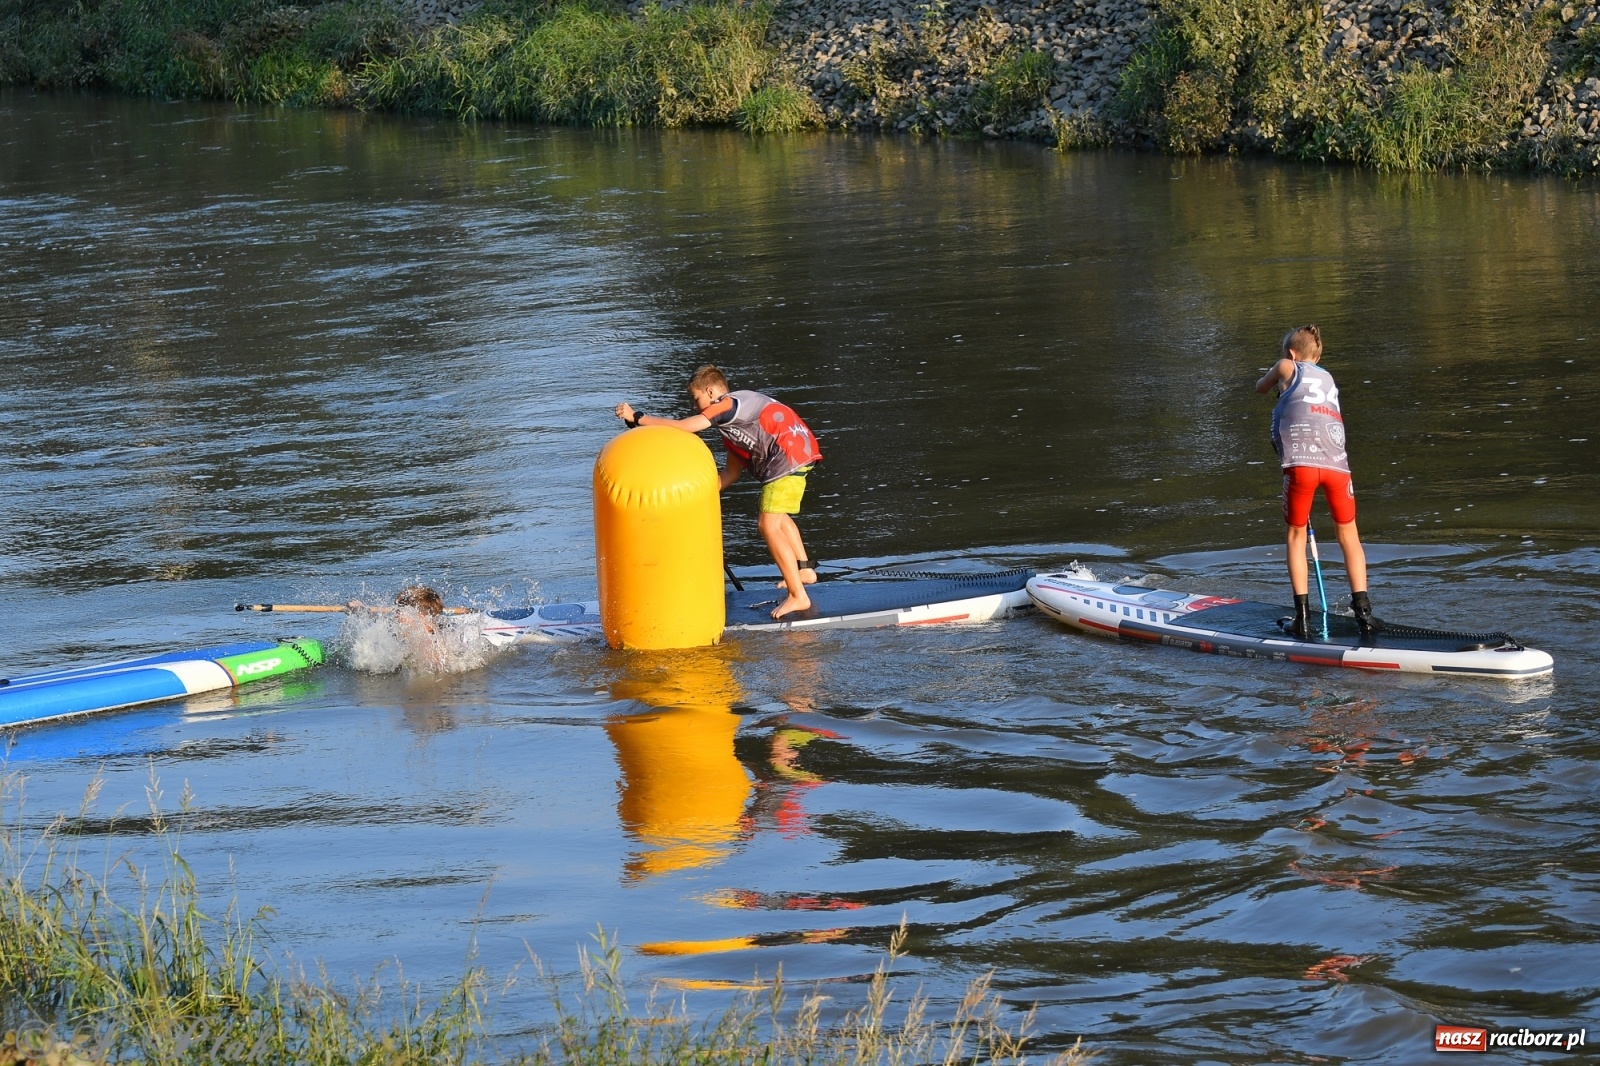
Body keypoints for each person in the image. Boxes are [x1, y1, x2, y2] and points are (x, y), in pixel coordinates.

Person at [615, 365, 823, 620]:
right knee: (778, 519)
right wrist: (695, 498)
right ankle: (803, 571)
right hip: (797, 454)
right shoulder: (734, 426)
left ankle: (798, 595)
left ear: (711, 391)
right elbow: (729, 475)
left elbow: (686, 426)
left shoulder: (727, 404)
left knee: (767, 526)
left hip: (787, 457)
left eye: (696, 398)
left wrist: (639, 417)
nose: (695, 406)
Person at [1254, 325, 1382, 641]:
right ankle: (1364, 614)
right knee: (1349, 535)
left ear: (1292, 354)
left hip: (1302, 466)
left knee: (1296, 535)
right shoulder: (1328, 378)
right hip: (1338, 466)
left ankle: (1302, 619)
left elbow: (1260, 387)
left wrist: (1277, 384)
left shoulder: (1287, 366)